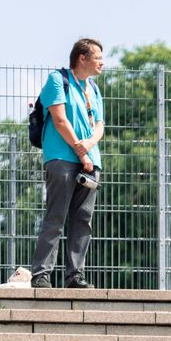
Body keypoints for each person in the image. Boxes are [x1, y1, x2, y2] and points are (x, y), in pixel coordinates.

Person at [10, 37, 106, 290]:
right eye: (98, 57)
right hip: (62, 158)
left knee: (83, 220)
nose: (102, 63)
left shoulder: (93, 88)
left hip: (90, 162)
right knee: (56, 217)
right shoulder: (57, 80)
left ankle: (75, 276)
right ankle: (41, 274)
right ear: (82, 58)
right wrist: (81, 151)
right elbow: (60, 120)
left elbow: (100, 125)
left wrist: (90, 147)